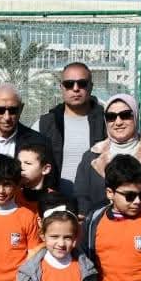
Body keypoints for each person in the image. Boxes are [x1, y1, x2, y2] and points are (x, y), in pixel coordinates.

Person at [72, 93, 141, 215]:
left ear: (135, 116)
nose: (118, 122)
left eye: (125, 115)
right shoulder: (91, 156)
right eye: (111, 117)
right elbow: (81, 196)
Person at [36, 63, 106, 201]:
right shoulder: (45, 123)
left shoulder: (106, 122)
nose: (75, 89)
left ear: (91, 87)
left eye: (82, 83)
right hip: (54, 204)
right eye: (69, 84)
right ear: (61, 87)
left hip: (96, 204)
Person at [17, 143, 56, 213]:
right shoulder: (11, 196)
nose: (21, 167)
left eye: (28, 163)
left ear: (45, 169)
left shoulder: (56, 201)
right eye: (18, 163)